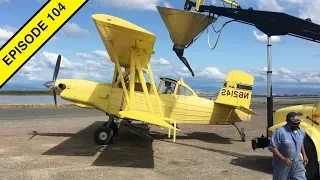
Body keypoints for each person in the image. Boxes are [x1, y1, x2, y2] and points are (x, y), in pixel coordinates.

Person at [268, 112, 309, 180]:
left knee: (301, 178)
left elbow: (300, 142)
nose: (296, 125)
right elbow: (272, 147)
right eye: (294, 123)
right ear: (288, 121)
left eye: (298, 123)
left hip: (297, 162)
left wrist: (304, 155)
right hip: (283, 164)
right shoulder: (280, 132)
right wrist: (283, 158)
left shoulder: (301, 131)